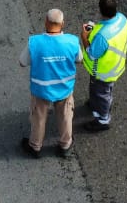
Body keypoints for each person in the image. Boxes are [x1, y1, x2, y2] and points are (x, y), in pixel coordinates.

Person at [18, 8, 82, 158]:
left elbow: (22, 62)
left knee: (38, 118)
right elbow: (79, 59)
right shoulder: (72, 41)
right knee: (65, 117)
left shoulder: (35, 42)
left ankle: (35, 146)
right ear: (63, 24)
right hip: (64, 89)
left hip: (41, 90)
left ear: (46, 22)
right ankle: (65, 145)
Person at [79, 0, 127, 132]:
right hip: (115, 64)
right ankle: (97, 104)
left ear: (100, 11)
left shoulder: (102, 36)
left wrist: (84, 36)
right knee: (103, 91)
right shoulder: (122, 20)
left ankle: (103, 120)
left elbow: (92, 53)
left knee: (102, 93)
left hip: (102, 72)